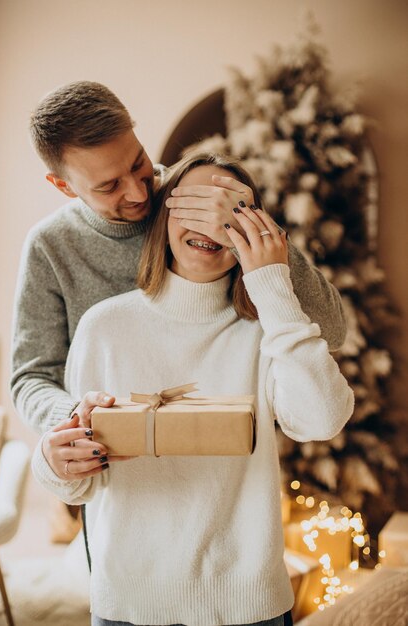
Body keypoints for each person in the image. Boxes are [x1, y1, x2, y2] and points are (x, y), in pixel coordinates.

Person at [32, 153, 354, 626]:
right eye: (196, 205)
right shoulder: (104, 327)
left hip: (250, 605)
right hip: (129, 603)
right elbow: (82, 480)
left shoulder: (268, 332)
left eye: (232, 214)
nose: (212, 225)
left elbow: (323, 420)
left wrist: (271, 283)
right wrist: (52, 460)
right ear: (165, 213)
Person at [11, 81, 346, 441]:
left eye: (138, 162)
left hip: (226, 446)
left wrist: (254, 226)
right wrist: (78, 420)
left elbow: (332, 332)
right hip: (111, 457)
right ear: (63, 186)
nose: (140, 193)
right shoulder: (51, 246)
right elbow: (32, 377)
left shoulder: (206, 201)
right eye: (109, 186)